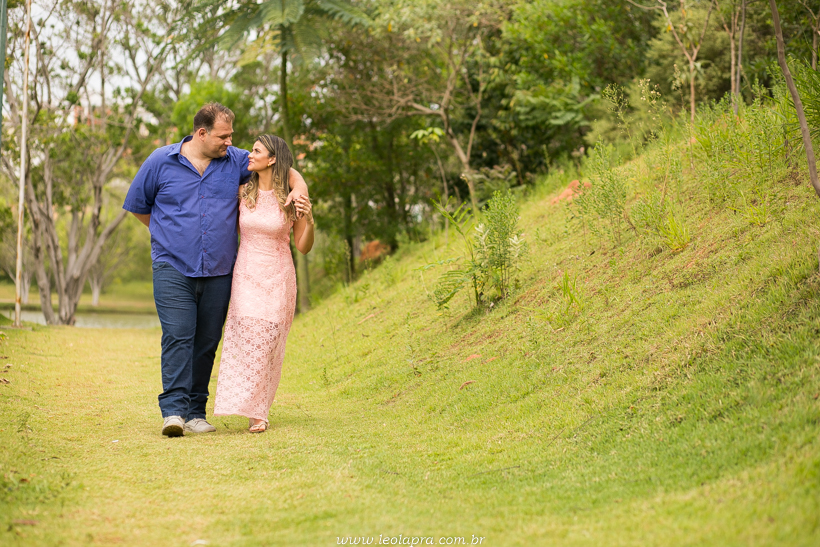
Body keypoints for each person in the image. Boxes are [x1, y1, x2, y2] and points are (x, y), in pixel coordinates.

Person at [122, 103, 309, 437]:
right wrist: (167, 233)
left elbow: (282, 164)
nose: (231, 141)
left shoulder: (234, 160)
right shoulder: (160, 161)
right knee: (179, 335)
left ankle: (196, 412)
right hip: (172, 266)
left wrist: (300, 188)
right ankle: (174, 412)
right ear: (202, 133)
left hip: (221, 269)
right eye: (224, 135)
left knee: (207, 340)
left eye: (232, 135)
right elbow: (138, 205)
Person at [213, 134, 313, 433]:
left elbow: (304, 246)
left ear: (272, 159)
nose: (249, 154)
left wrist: (309, 220)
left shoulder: (291, 198)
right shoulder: (243, 191)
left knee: (269, 340)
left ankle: (259, 407)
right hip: (246, 273)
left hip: (279, 275)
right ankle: (253, 409)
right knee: (247, 336)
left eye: (256, 151)